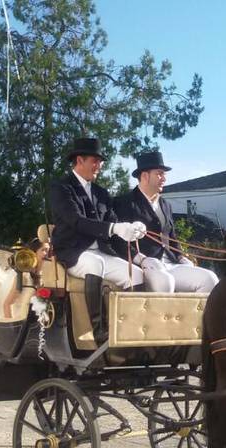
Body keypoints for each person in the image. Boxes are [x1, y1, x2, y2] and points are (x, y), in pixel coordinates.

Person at [49, 137, 147, 343]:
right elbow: (76, 221)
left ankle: (133, 329)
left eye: (100, 162)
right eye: (95, 161)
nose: (99, 166)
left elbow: (113, 223)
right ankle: (99, 330)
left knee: (135, 274)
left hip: (102, 251)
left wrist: (131, 229)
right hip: (73, 252)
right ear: (79, 160)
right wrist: (114, 228)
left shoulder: (101, 193)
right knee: (95, 264)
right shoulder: (61, 187)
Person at [114, 151, 218, 293]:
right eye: (159, 174)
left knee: (210, 279)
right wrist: (141, 259)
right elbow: (118, 241)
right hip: (145, 266)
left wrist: (181, 257)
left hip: (170, 263)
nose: (164, 178)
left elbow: (172, 237)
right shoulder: (124, 202)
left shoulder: (166, 205)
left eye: (164, 174)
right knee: (165, 282)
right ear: (145, 176)